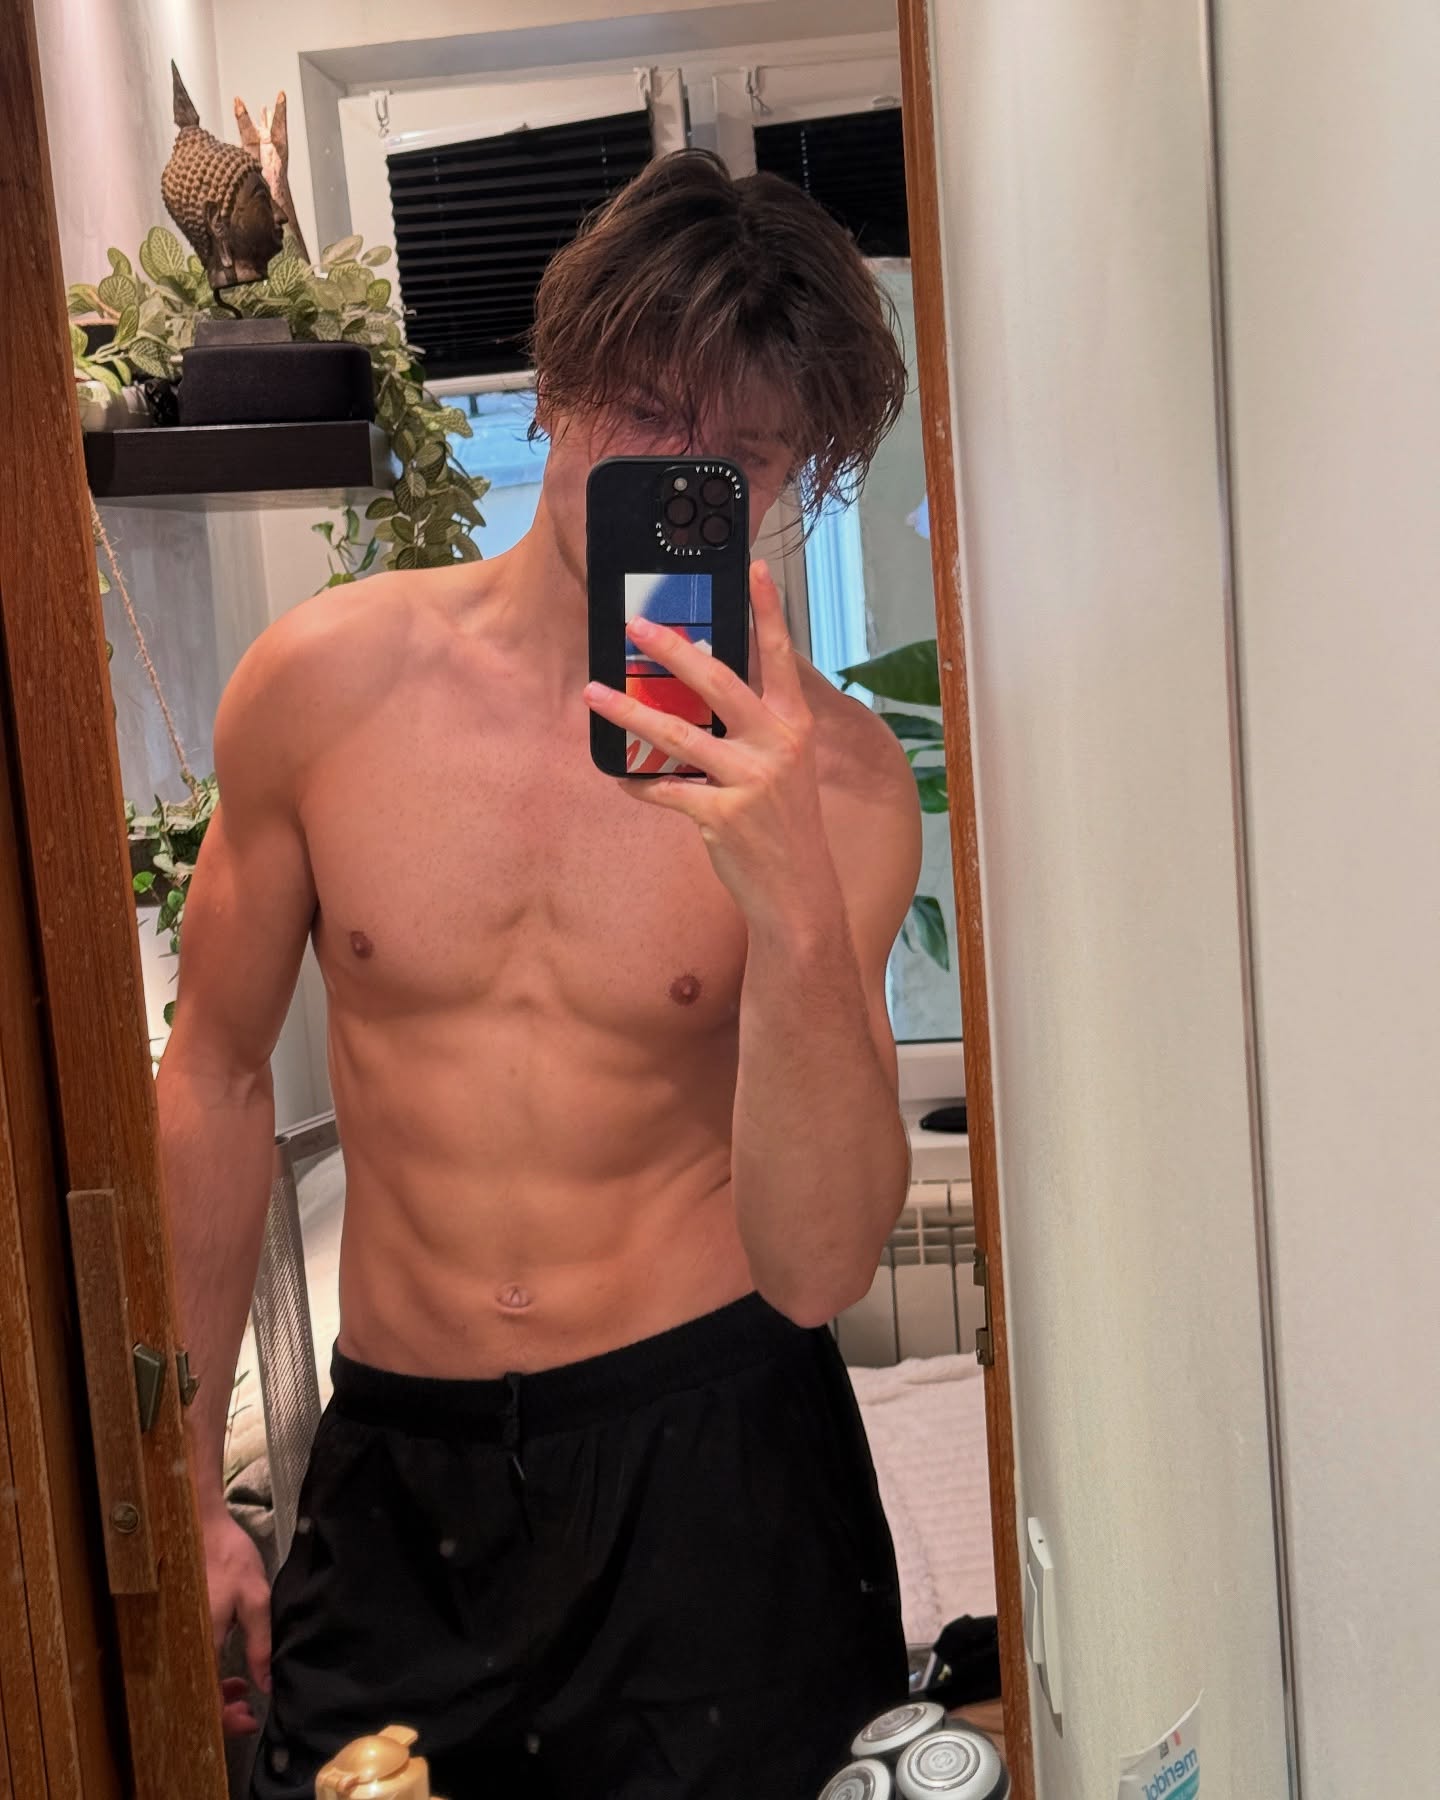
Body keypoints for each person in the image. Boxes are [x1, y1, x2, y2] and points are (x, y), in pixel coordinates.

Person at [162, 150, 921, 1800]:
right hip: (399, 1475)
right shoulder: (325, 685)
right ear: (559, 382)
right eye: (643, 410)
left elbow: (818, 1265)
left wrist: (790, 902)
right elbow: (212, 1073)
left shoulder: (840, 785)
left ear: (794, 477)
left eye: (737, 454)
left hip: (715, 1465)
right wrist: (182, 1483)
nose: (673, 472)